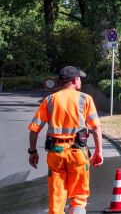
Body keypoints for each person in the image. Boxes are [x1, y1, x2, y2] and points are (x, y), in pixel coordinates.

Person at [27, 66, 104, 214]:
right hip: (77, 153)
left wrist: (33, 151)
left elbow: (34, 129)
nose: (80, 80)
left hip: (56, 154)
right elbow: (95, 128)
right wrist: (98, 151)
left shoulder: (49, 100)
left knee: (56, 198)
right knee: (79, 198)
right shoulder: (85, 99)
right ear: (75, 80)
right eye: (79, 78)